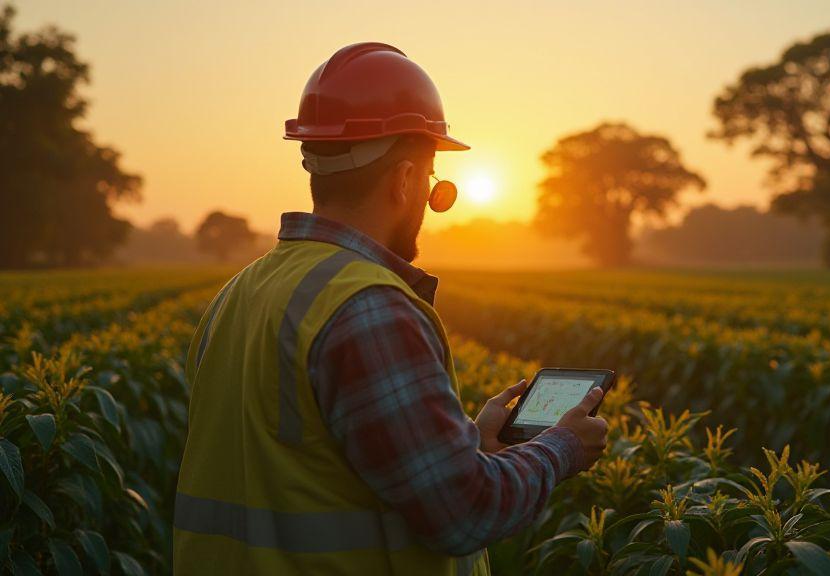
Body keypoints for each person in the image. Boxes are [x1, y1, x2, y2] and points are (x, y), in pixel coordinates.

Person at [172, 42, 609, 576]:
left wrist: (472, 447)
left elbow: (304, 463)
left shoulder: (239, 293)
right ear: (404, 180)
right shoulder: (369, 308)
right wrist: (561, 447)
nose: (428, 196)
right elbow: (464, 514)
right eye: (430, 181)